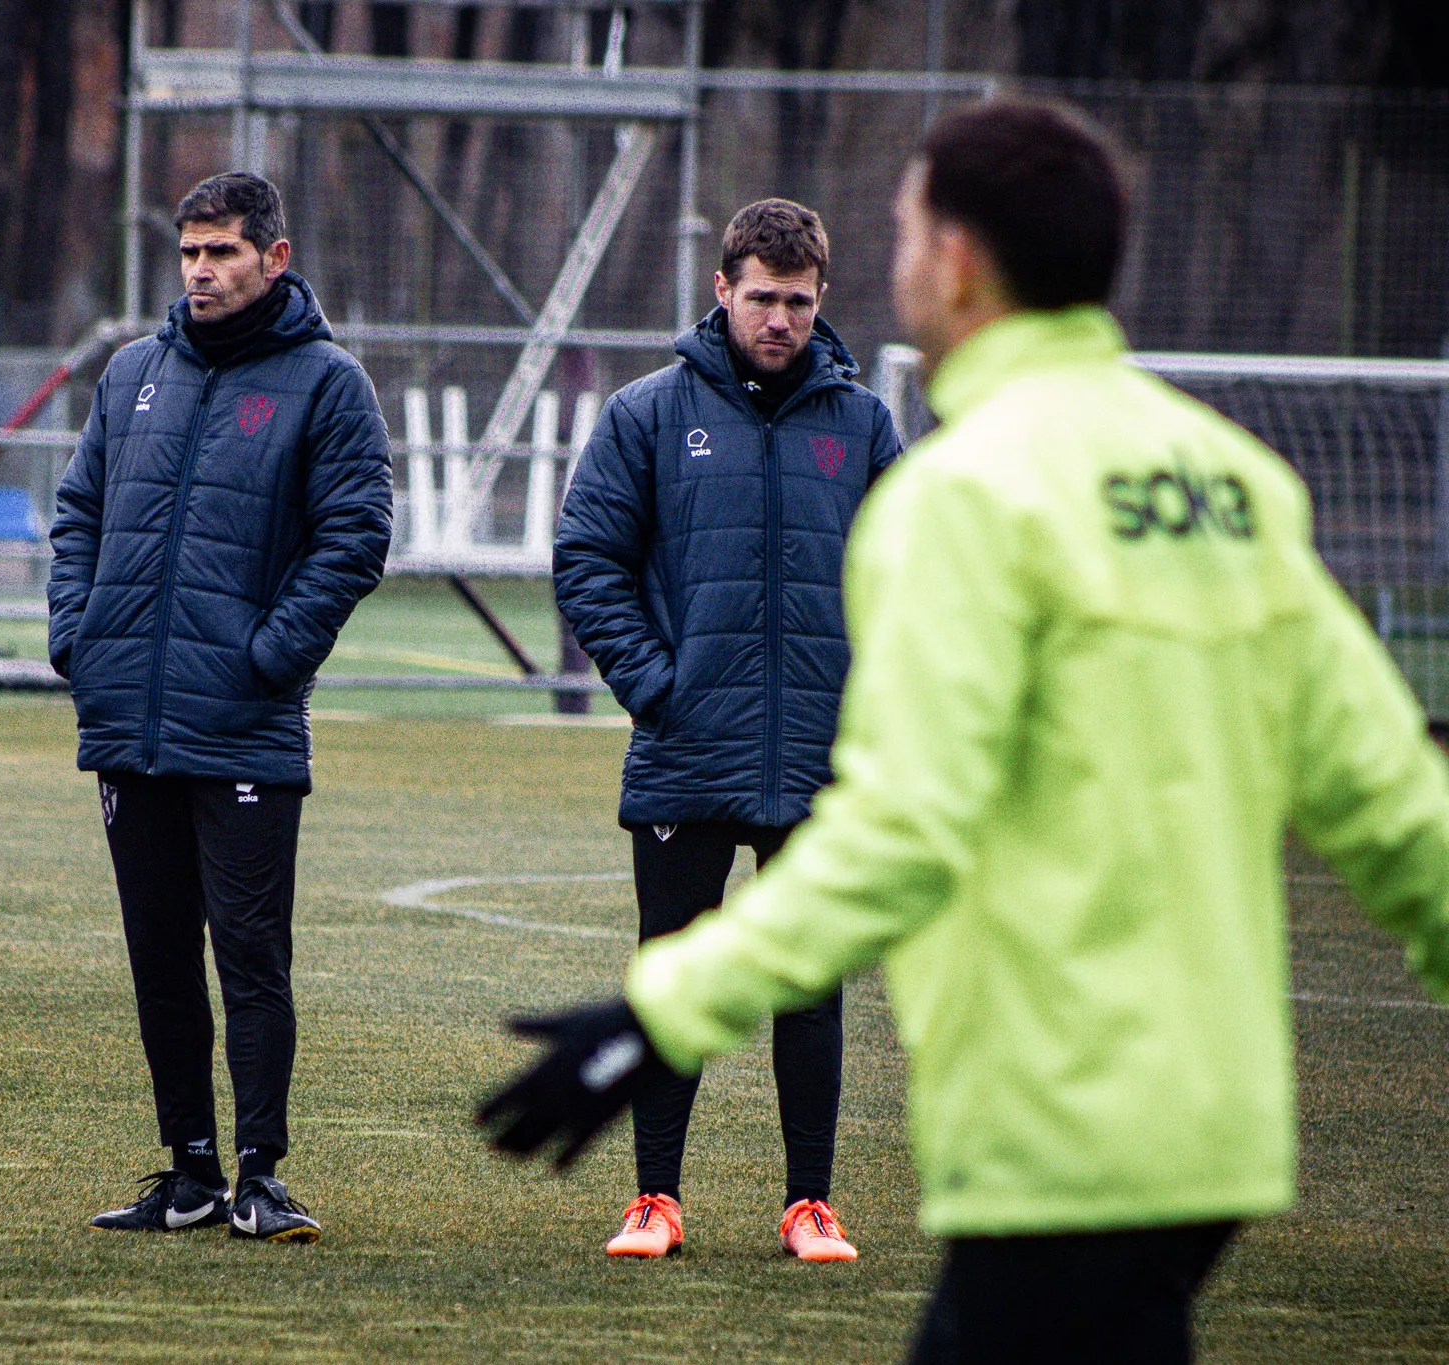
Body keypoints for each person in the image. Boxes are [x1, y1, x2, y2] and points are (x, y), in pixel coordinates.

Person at [481, 97, 1449, 1362]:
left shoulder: (965, 495)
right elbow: (1399, 809)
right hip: (1217, 1135)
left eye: (898, 229)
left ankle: (798, 1189)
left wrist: (660, 1010)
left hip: (1050, 1128)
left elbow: (899, 830)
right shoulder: (1226, 482)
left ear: (954, 261)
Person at [553, 199, 901, 1261]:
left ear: (820, 300)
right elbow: (586, 559)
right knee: (672, 976)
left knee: (808, 985)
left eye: (797, 302)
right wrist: (656, 689)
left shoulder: (864, 427)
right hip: (685, 748)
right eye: (760, 298)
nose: (779, 321)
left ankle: (808, 1203)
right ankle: (654, 1197)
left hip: (816, 760)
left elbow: (909, 583)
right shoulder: (649, 414)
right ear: (721, 291)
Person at [48, 171, 391, 1245]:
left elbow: (355, 538)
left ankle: (260, 1175)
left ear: (272, 258)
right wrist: (80, 636)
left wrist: (269, 657)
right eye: (189, 253)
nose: (200, 271)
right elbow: (79, 512)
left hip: (240, 723)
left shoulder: (326, 384)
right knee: (158, 953)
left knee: (250, 956)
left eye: (222, 253)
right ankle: (188, 1172)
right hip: (129, 721)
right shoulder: (133, 374)